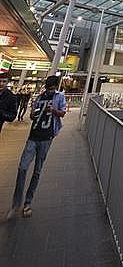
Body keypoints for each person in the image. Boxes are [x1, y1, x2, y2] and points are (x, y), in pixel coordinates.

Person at [7, 75, 66, 218]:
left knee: (37, 171)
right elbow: (33, 115)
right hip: (33, 136)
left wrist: (54, 111)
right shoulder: (39, 98)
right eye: (49, 88)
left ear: (56, 87)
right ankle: (16, 204)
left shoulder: (59, 97)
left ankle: (27, 202)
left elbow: (62, 113)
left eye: (52, 89)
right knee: (22, 167)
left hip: (46, 137)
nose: (50, 91)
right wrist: (32, 114)